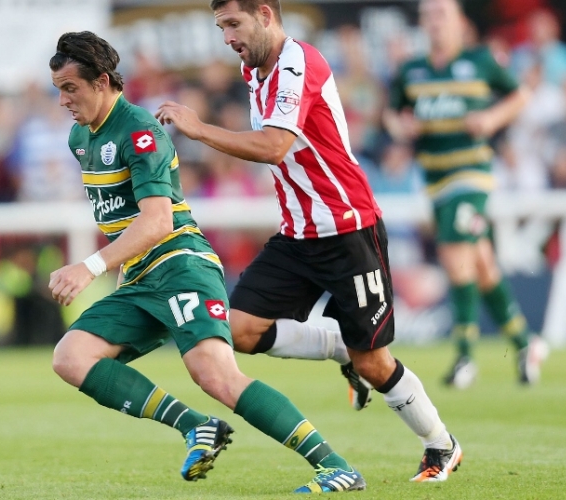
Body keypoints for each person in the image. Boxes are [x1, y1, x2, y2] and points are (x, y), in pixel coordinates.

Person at [47, 31, 366, 493]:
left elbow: (158, 221)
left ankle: (335, 466)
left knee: (216, 375)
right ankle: (197, 426)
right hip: (140, 277)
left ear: (101, 82)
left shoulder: (139, 131)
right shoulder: (81, 137)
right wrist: (121, 268)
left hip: (180, 266)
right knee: (71, 357)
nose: (63, 101)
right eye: (58, 90)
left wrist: (89, 266)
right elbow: (123, 217)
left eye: (70, 88)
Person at [156, 0, 461, 484]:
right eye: (221, 27)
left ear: (265, 14)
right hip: (298, 234)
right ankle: (340, 345)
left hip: (348, 231)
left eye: (233, 24)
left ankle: (441, 444)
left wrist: (199, 129)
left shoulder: (299, 62)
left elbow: (275, 145)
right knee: (237, 330)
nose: (227, 37)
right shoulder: (253, 70)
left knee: (375, 363)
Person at [383, 0, 548, 388]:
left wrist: (492, 118)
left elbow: (521, 95)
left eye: (441, 14)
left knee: (455, 255)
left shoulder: (481, 61)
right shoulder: (412, 70)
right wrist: (400, 127)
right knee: (482, 264)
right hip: (435, 181)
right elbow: (392, 113)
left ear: (460, 22)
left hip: (471, 176)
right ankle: (525, 344)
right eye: (427, 16)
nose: (434, 23)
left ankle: (464, 357)